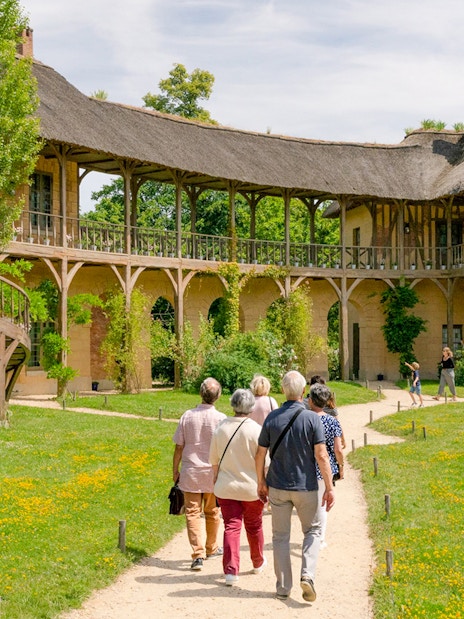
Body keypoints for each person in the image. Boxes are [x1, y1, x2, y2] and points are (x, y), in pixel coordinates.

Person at [256, 370, 335, 603]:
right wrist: (329, 487)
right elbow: (322, 455)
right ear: (303, 392)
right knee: (311, 531)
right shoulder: (312, 418)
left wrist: (261, 481)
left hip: (278, 486)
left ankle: (283, 586)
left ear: (283, 390)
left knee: (280, 537)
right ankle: (307, 575)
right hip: (306, 486)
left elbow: (260, 454)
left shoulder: (272, 418)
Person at [209, 389, 268, 586]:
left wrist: (216, 480)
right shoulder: (256, 430)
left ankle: (231, 570)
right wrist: (264, 484)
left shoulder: (220, 428)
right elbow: (265, 462)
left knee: (231, 526)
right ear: (251, 407)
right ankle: (258, 561)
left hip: (226, 487)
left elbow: (214, 461)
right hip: (251, 487)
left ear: (233, 405)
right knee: (254, 525)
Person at [172, 377, 226, 571]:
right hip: (213, 472)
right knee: (213, 512)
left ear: (201, 394)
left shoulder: (187, 416)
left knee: (193, 513)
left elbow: (179, 446)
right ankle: (211, 547)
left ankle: (198, 554)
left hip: (192, 472)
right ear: (218, 396)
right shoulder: (221, 419)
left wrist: (175, 469)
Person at [308, 382, 344, 548]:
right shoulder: (332, 421)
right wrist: (341, 467)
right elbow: (338, 449)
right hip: (325, 468)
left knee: (309, 505)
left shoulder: (305, 420)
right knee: (322, 505)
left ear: (311, 401)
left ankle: (309, 535)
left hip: (306, 467)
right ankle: (319, 538)